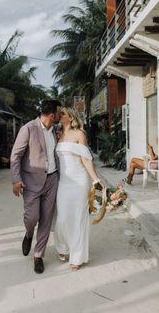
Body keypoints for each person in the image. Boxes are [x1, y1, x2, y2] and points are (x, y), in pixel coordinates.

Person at [10, 100, 61, 274]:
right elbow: (15, 155)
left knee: (46, 219)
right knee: (32, 217)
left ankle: (38, 256)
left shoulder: (55, 132)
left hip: (52, 179)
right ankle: (29, 233)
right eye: (59, 113)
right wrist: (16, 179)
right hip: (31, 181)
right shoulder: (28, 128)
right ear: (52, 115)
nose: (60, 116)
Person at [54, 107, 105, 271]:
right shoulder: (57, 134)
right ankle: (63, 246)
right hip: (63, 182)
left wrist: (96, 179)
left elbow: (86, 159)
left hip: (79, 181)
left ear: (71, 117)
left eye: (62, 114)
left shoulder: (79, 134)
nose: (59, 116)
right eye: (59, 113)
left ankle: (77, 257)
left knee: (78, 218)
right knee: (62, 218)